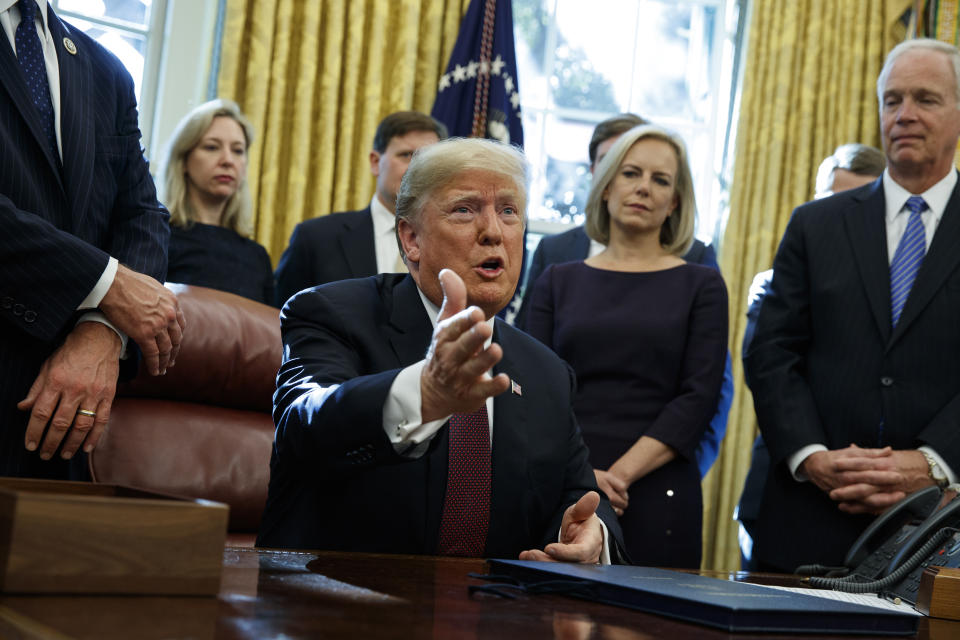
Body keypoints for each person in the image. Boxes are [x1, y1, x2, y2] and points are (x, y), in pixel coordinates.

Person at [257, 137, 625, 563]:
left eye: (508, 211)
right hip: (335, 606)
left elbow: (580, 493)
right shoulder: (331, 313)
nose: (493, 232)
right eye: (465, 210)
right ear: (411, 238)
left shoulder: (546, 371)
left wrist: (590, 535)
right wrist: (422, 394)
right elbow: (306, 426)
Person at [744, 39, 960, 573]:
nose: (904, 115)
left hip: (936, 526)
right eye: (892, 100)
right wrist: (811, 456)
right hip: (805, 515)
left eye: (925, 99)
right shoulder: (814, 224)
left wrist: (933, 464)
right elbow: (771, 351)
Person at [525, 125, 729, 568]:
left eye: (661, 180)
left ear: (675, 201)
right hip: (564, 480)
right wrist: (584, 479)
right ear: (605, 186)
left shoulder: (703, 284)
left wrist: (616, 477)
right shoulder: (556, 279)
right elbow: (534, 389)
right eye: (631, 173)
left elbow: (699, 397)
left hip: (657, 485)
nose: (643, 188)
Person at [0, 0, 183, 479]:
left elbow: (143, 214)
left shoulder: (105, 71)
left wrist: (103, 329)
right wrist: (108, 285)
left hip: (61, 420)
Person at [735, 142, 885, 570]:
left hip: (883, 504)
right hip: (787, 492)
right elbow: (769, 368)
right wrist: (814, 457)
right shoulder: (774, 283)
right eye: (833, 202)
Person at [274, 111, 447, 305]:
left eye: (427, 160)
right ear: (375, 162)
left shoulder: (456, 242)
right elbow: (279, 322)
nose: (417, 168)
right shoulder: (316, 239)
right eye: (406, 155)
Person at [158, 99, 275, 305]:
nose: (227, 160)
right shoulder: (156, 239)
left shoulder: (258, 257)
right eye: (212, 147)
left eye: (238, 150)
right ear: (184, 160)